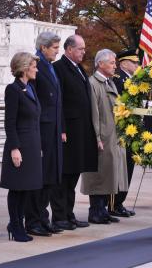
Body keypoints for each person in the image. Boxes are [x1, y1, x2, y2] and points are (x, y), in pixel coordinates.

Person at [52, 35, 97, 230]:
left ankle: (69, 214)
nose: (83, 52)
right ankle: (59, 216)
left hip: (81, 130)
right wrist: (61, 128)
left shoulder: (79, 68)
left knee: (73, 176)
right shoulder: (59, 68)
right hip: (68, 131)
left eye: (84, 49)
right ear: (69, 49)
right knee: (64, 177)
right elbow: (58, 102)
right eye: (80, 49)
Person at [81, 49, 128, 224]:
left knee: (109, 174)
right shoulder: (93, 83)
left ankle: (102, 210)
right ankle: (95, 211)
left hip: (112, 136)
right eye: (112, 63)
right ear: (101, 64)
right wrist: (97, 137)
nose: (115, 65)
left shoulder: (109, 83)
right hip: (103, 136)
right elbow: (94, 113)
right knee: (99, 175)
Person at [24, 32, 64, 237]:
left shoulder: (50, 67)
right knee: (39, 178)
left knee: (50, 177)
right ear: (43, 48)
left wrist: (61, 129)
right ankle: (32, 220)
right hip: (42, 130)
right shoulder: (35, 66)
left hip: (54, 129)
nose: (58, 51)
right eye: (55, 48)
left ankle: (42, 217)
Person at [0, 51, 42, 242]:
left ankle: (19, 222)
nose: (36, 70)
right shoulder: (13, 89)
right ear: (24, 68)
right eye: (33, 67)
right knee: (17, 188)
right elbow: (10, 122)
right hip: (20, 145)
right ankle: (15, 224)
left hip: (32, 145)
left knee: (27, 187)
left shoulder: (30, 88)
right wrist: (14, 149)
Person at [109, 48, 139, 217]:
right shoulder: (118, 79)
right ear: (124, 63)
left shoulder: (132, 79)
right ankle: (113, 203)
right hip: (121, 129)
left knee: (128, 166)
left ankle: (119, 202)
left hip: (131, 129)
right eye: (134, 62)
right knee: (120, 168)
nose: (137, 65)